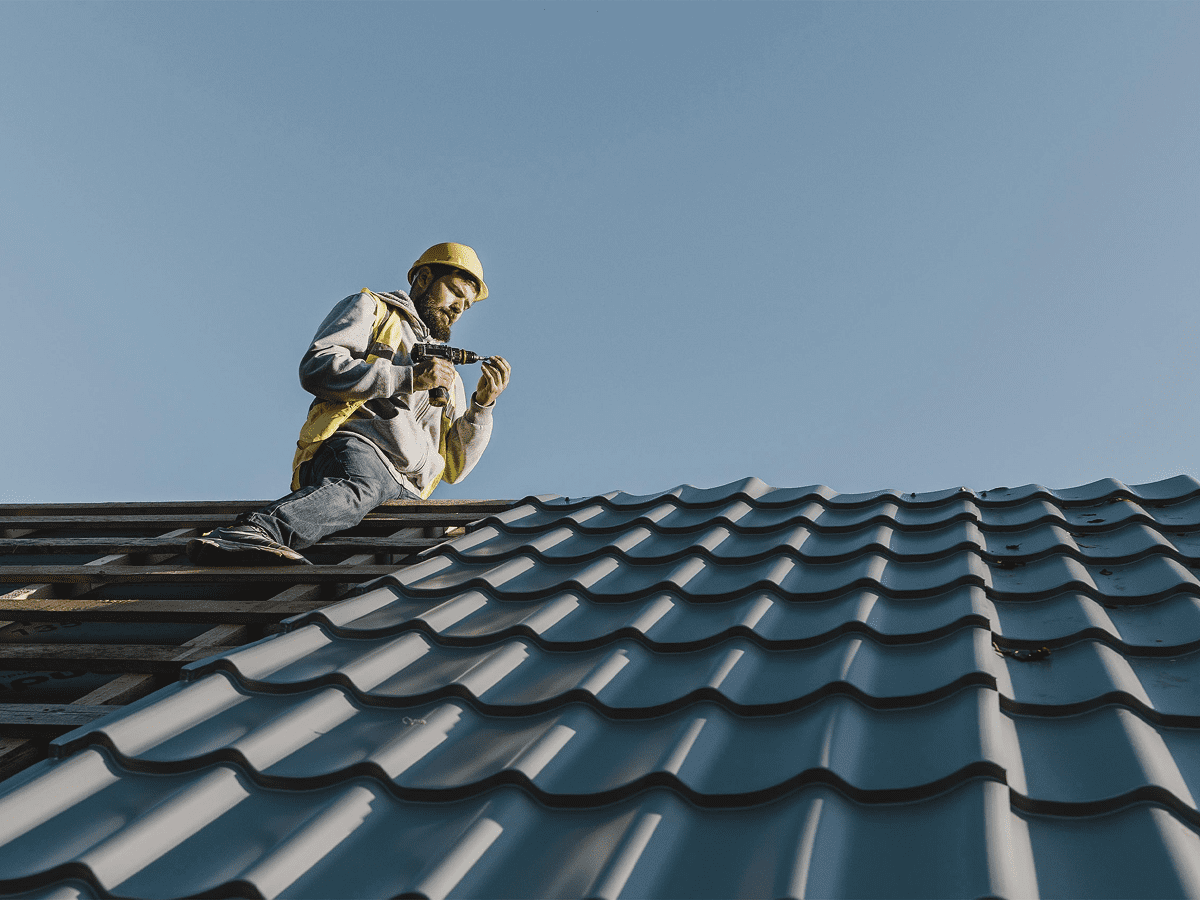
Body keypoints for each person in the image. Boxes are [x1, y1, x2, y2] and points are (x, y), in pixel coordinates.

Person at [187, 242, 511, 566]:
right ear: (424, 278)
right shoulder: (373, 311)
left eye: (466, 305)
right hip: (361, 452)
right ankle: (253, 531)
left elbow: (454, 468)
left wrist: (482, 407)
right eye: (454, 292)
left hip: (408, 491)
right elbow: (317, 368)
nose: (458, 307)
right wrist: (407, 378)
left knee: (416, 559)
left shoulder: (449, 378)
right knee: (358, 487)